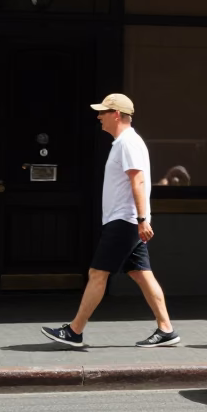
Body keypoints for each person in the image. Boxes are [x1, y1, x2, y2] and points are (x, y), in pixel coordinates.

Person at [41, 94, 179, 348]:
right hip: (128, 221)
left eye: (103, 112)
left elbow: (136, 180)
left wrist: (140, 219)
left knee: (97, 273)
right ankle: (166, 329)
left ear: (116, 114)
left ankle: (75, 331)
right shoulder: (124, 143)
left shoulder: (127, 143)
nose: (98, 116)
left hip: (124, 221)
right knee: (141, 274)